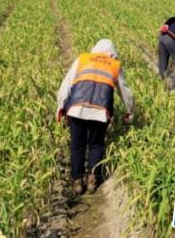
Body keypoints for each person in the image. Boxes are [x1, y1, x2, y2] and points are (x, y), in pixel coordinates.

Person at [56, 39, 134, 196]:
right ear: (112, 53)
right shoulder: (114, 65)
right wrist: (129, 110)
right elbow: (125, 92)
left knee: (77, 145)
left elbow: (67, 84)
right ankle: (92, 178)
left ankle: (77, 181)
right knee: (96, 144)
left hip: (77, 109)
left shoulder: (82, 59)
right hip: (100, 111)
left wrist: (60, 105)